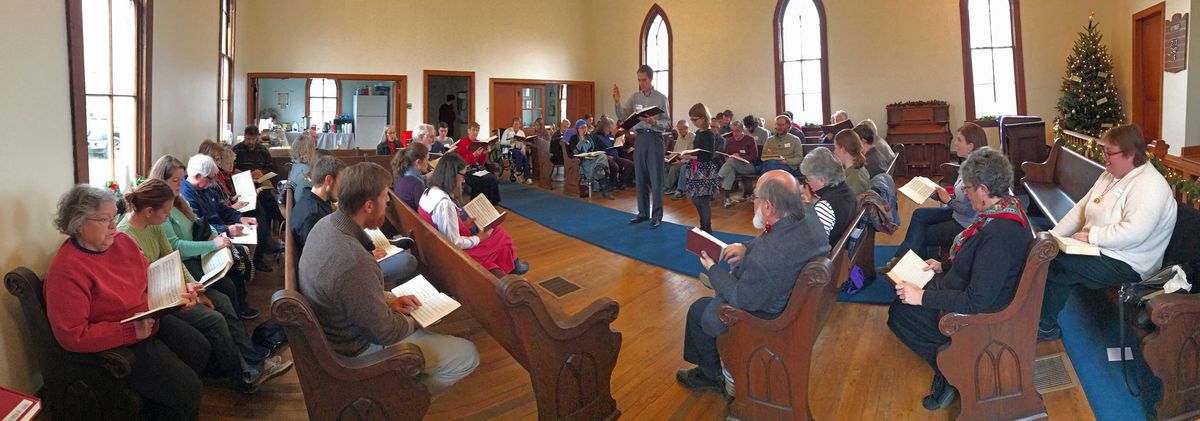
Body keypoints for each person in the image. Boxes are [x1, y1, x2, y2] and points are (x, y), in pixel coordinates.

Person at [298, 162, 479, 394]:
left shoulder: (326, 225)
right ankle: (399, 402)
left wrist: (388, 301)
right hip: (355, 352)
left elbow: (351, 293)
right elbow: (385, 332)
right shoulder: (353, 260)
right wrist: (419, 317)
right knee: (468, 355)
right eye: (385, 197)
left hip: (338, 328)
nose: (389, 202)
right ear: (369, 206)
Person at [888, 147, 1032, 410]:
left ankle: (953, 370)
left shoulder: (1000, 234)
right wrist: (943, 266)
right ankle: (950, 362)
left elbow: (977, 301)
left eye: (967, 188)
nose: (964, 193)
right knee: (905, 294)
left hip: (983, 311)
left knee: (899, 314)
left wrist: (922, 297)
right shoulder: (1005, 208)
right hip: (965, 282)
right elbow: (978, 259)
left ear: (984, 189)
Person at [46, 185, 207, 420]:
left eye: (114, 217)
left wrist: (180, 291)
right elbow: (72, 335)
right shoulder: (67, 270)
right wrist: (129, 331)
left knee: (199, 348)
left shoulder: (123, 242)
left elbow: (150, 277)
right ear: (77, 224)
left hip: (150, 316)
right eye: (104, 220)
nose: (113, 225)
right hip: (121, 338)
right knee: (188, 390)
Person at [119, 179, 292, 394]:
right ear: (148, 211)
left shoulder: (152, 225)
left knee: (223, 301)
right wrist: (187, 294)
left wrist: (193, 284)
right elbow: (140, 285)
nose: (168, 217)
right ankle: (243, 378)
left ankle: (253, 359)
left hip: (174, 287)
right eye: (165, 213)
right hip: (157, 300)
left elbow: (172, 258)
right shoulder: (126, 236)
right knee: (214, 319)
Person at [677, 170, 831, 393]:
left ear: (767, 206)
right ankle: (722, 284)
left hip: (770, 316)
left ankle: (711, 375)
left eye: (755, 197)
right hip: (793, 299)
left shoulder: (767, 257)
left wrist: (712, 269)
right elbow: (771, 236)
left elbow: (741, 298)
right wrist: (745, 248)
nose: (753, 202)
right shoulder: (808, 215)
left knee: (699, 312)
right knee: (723, 286)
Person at [1037, 124, 1178, 341]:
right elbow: (1080, 210)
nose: (1104, 157)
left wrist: (1092, 236)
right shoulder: (1110, 175)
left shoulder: (1150, 185)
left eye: (1109, 152)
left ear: (1130, 154)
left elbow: (1134, 233)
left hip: (1129, 262)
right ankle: (1039, 318)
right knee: (1049, 255)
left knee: (1059, 263)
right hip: (1101, 249)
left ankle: (1044, 326)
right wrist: (1052, 237)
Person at [149, 155, 257, 320]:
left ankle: (238, 323)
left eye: (181, 179)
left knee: (230, 279)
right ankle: (236, 325)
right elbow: (175, 246)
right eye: (175, 180)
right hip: (184, 261)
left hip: (197, 253)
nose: (180, 184)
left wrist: (217, 233)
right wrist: (214, 244)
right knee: (225, 290)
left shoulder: (178, 200)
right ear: (161, 180)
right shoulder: (161, 208)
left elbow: (199, 222)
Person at [293, 156, 419, 287]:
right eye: (341, 182)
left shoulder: (319, 212)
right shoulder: (313, 216)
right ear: (328, 180)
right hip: (335, 276)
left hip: (331, 275)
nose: (388, 200)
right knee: (408, 261)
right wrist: (367, 256)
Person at [880, 123, 988, 272]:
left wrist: (948, 200)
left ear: (970, 146)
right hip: (957, 214)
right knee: (920, 214)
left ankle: (912, 270)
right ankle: (900, 261)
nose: (955, 143)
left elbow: (970, 211)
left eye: (959, 140)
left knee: (922, 234)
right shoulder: (967, 164)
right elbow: (961, 196)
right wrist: (938, 194)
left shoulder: (977, 171)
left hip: (966, 224)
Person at [420, 154, 530, 275]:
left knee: (494, 230)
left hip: (437, 244)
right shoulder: (444, 204)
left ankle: (511, 266)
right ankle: (512, 267)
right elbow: (454, 243)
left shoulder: (429, 191)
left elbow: (443, 225)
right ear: (452, 175)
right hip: (453, 252)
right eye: (462, 175)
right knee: (498, 233)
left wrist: (464, 225)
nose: (464, 180)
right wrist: (479, 238)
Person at [614, 64, 671, 229]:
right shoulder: (635, 97)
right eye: (639, 80)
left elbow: (668, 123)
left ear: (651, 79)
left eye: (644, 80)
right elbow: (623, 116)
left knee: (656, 178)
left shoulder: (661, 98)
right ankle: (642, 213)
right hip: (640, 139)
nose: (641, 83)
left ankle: (657, 215)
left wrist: (654, 121)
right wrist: (617, 102)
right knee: (640, 178)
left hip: (654, 139)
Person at [230, 126, 287, 264]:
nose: (250, 142)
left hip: (260, 182)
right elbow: (231, 169)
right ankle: (269, 237)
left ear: (257, 138)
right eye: (248, 139)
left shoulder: (262, 150)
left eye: (253, 139)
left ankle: (273, 229)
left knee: (267, 196)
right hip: (242, 184)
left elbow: (272, 168)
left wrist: (261, 172)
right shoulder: (236, 150)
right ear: (244, 136)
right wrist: (243, 173)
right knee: (260, 202)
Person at [799, 147, 858, 246]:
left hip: (827, 256)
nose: (807, 183)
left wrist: (808, 207)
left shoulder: (825, 206)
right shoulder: (847, 191)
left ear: (822, 180)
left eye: (808, 179)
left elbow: (812, 244)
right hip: (839, 248)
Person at [683, 104, 721, 233]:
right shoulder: (699, 132)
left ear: (703, 118)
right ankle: (703, 225)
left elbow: (708, 155)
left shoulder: (709, 134)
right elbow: (697, 151)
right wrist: (688, 156)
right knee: (695, 198)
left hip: (705, 170)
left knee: (703, 200)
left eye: (694, 119)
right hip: (696, 168)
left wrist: (691, 156)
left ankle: (706, 227)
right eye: (691, 119)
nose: (692, 122)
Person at [455, 122, 502, 204]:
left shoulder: (479, 143)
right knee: (481, 180)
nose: (475, 132)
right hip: (466, 170)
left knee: (492, 178)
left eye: (477, 130)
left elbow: (481, 163)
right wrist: (473, 155)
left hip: (477, 168)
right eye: (473, 130)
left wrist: (484, 154)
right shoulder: (462, 143)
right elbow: (461, 162)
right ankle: (478, 203)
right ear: (468, 131)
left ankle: (492, 202)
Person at [718, 120, 761, 208]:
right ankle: (727, 198)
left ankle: (719, 176)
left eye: (737, 131)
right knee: (731, 168)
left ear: (742, 130)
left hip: (749, 166)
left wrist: (740, 157)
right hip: (733, 165)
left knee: (732, 161)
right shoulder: (730, 141)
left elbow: (754, 157)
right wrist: (727, 158)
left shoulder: (749, 139)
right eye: (733, 131)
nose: (734, 133)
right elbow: (727, 154)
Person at [568, 120, 615, 199]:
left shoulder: (589, 137)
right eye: (582, 128)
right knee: (600, 170)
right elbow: (574, 151)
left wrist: (594, 153)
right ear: (577, 129)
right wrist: (582, 140)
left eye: (585, 127)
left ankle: (598, 169)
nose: (584, 130)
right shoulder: (573, 138)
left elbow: (594, 149)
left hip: (591, 159)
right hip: (582, 161)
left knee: (603, 155)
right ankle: (605, 191)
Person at [393, 142, 432, 210]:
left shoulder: (401, 173)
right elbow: (425, 210)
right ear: (418, 162)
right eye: (427, 160)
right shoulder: (417, 184)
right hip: (415, 218)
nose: (428, 163)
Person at [832, 129, 871, 195]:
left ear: (843, 149)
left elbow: (846, 204)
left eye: (835, 147)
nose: (834, 151)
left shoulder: (854, 179)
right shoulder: (857, 168)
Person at [665, 119, 696, 196]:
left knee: (674, 168)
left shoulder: (693, 137)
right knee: (663, 165)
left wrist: (681, 161)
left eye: (681, 129)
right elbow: (675, 151)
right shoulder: (680, 136)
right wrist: (668, 157)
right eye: (678, 129)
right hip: (676, 158)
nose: (679, 131)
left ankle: (667, 187)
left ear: (686, 128)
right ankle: (668, 187)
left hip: (685, 161)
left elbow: (691, 153)